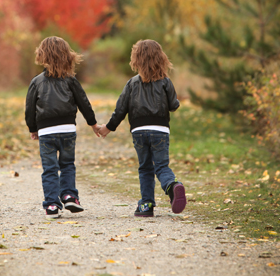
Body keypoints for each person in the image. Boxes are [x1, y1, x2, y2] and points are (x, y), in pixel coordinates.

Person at [98, 39, 186, 217]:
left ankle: (146, 206)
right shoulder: (166, 82)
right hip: (160, 130)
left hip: (139, 131)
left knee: (145, 167)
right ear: (161, 59)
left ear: (136, 60)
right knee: (161, 166)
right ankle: (173, 185)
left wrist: (108, 127)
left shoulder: (132, 83)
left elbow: (120, 109)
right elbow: (173, 105)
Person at [25, 36, 100, 219]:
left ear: (42, 56)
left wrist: (33, 128)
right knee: (67, 165)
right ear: (67, 56)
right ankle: (69, 196)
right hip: (67, 130)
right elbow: (84, 103)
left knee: (50, 168)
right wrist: (93, 123)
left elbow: (29, 108)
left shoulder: (37, 82)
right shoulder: (71, 81)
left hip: (46, 132)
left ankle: (51, 205)